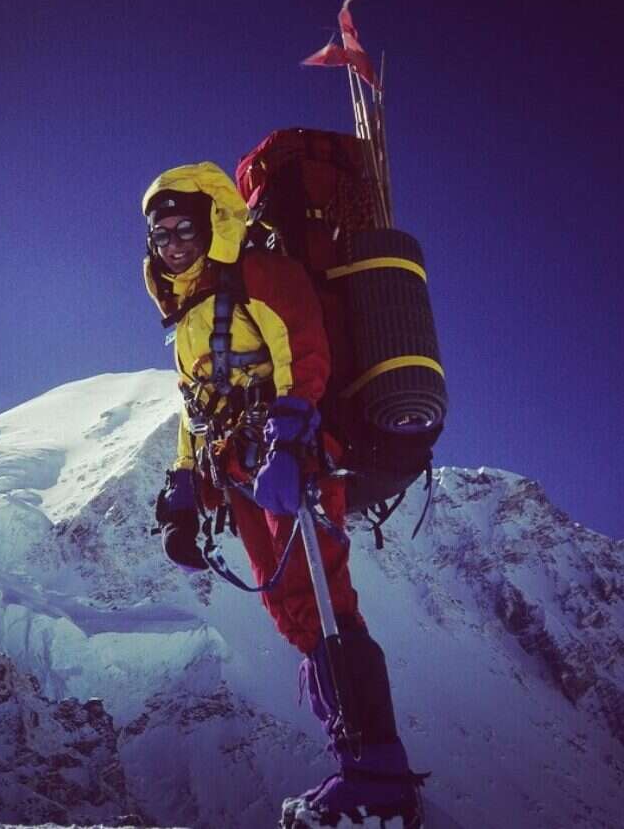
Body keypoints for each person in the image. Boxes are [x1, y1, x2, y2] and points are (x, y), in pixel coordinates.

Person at [143, 162, 423, 827]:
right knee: (291, 607)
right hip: (239, 470)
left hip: (292, 455)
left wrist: (292, 439)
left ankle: (380, 776)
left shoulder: (257, 272)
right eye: (161, 235)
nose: (174, 245)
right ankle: (356, 762)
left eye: (184, 229)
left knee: (322, 595)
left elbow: (303, 346)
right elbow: (195, 407)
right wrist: (183, 490)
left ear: (211, 222)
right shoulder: (187, 312)